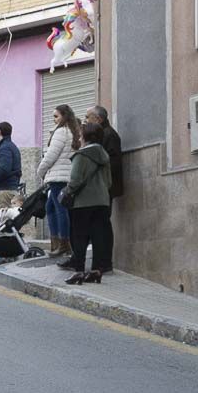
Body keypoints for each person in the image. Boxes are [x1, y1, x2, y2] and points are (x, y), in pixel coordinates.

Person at [62, 123, 112, 284]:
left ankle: (79, 271)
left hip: (83, 202)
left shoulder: (81, 155)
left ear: (85, 137)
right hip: (102, 201)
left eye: (80, 134)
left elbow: (75, 181)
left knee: (80, 236)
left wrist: (67, 191)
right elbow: (109, 182)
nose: (78, 137)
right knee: (99, 236)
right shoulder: (104, 155)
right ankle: (97, 270)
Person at [37, 105, 80, 258]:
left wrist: (40, 172)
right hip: (65, 175)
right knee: (51, 208)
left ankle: (63, 244)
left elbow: (50, 156)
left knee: (59, 209)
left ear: (64, 116)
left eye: (56, 116)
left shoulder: (61, 132)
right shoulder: (73, 131)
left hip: (58, 177)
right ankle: (57, 243)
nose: (53, 120)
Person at [86, 105, 121, 273]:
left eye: (88, 117)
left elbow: (111, 163)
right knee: (98, 226)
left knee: (102, 226)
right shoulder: (102, 134)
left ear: (98, 119)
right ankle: (100, 262)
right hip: (100, 188)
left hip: (105, 188)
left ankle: (104, 263)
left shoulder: (109, 135)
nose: (86, 121)